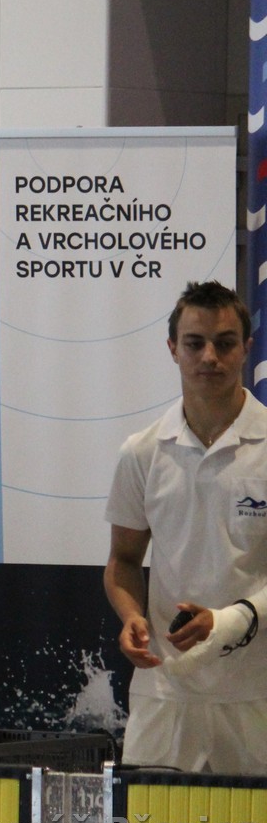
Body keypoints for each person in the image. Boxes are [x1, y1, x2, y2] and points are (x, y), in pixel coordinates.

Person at [104, 280, 267, 773]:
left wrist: (228, 620)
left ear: (247, 348)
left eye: (224, 343)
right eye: (195, 343)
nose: (209, 357)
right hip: (164, 692)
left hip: (254, 693)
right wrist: (131, 617)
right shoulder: (142, 451)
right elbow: (123, 562)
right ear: (173, 348)